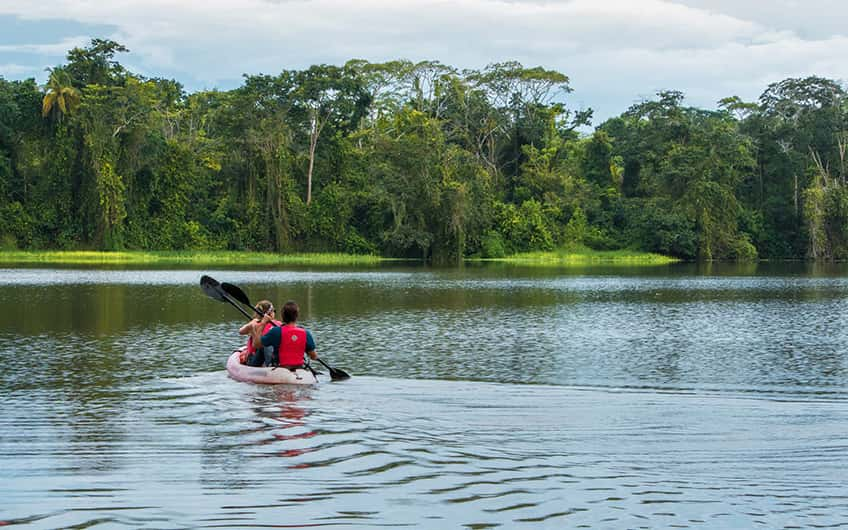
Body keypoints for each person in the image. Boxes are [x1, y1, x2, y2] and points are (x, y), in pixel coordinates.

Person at [250, 300, 318, 369]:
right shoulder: (306, 333)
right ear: (296, 316)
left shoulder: (275, 331)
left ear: (282, 316)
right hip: (299, 368)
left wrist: (263, 323)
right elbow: (314, 357)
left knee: (264, 347)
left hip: (280, 368)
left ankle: (252, 369)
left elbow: (256, 344)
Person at [238, 300, 281, 366]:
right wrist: (252, 327)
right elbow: (241, 332)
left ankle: (272, 364)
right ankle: (271, 364)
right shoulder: (278, 324)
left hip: (266, 357)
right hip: (254, 359)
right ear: (271, 313)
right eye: (274, 311)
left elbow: (240, 331)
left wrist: (251, 327)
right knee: (265, 345)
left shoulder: (254, 323)